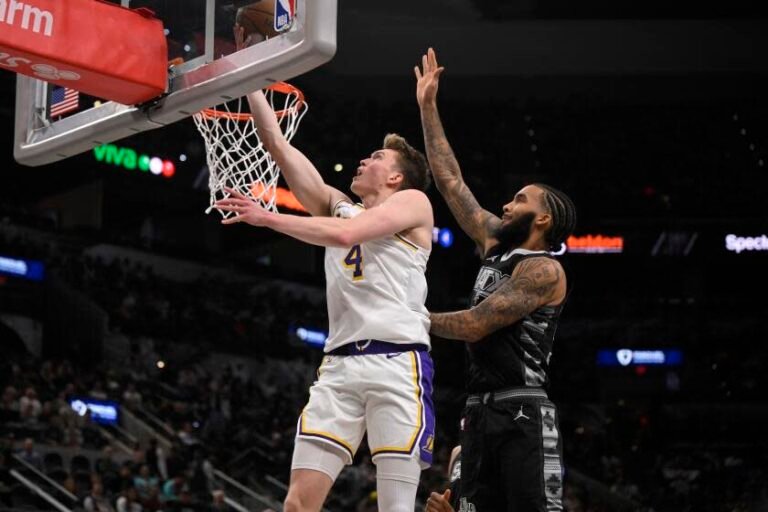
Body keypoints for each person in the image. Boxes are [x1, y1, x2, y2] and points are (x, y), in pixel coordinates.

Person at [214, 27, 436, 512]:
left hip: (397, 364)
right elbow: (276, 142)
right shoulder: (339, 206)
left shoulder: (414, 204)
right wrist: (249, 69)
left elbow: (343, 237)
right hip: (338, 365)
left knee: (395, 509)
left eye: (376, 157)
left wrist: (267, 216)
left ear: (396, 177)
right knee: (297, 504)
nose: (363, 159)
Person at [416, 48, 577, 511]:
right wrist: (428, 107)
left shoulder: (544, 270)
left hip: (522, 407)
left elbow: (475, 324)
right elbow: (450, 181)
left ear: (543, 218)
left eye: (519, 199)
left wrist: (409, 316)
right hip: (478, 407)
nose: (506, 205)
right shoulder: (494, 241)